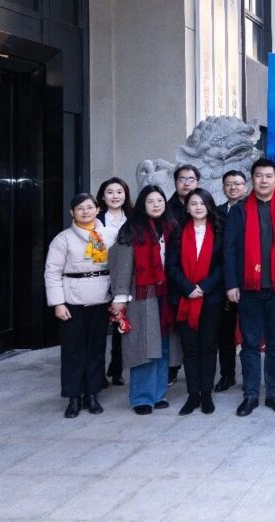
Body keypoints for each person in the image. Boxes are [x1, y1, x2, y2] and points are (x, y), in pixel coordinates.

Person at [223, 158, 275, 417]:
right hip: (248, 289)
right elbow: (229, 250)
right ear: (252, 179)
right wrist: (231, 284)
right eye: (259, 175)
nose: (263, 180)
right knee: (249, 344)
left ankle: (274, 393)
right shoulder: (239, 211)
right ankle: (250, 395)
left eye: (268, 176)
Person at [109, 185, 181, 415]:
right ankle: (141, 397)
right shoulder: (131, 230)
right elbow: (122, 267)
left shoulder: (172, 227)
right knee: (144, 347)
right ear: (142, 205)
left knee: (164, 346)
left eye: (160, 200)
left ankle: (158, 394)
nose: (156, 205)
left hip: (167, 295)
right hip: (142, 295)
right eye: (150, 201)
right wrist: (120, 297)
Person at [44, 194, 118, 418]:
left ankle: (92, 394)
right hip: (72, 301)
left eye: (89, 207)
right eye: (80, 208)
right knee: (73, 350)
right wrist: (58, 303)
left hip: (101, 299)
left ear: (97, 210)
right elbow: (52, 272)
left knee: (96, 348)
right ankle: (73, 397)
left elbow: (119, 266)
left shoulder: (109, 235)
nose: (85, 212)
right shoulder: (62, 239)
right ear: (72, 212)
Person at [165, 188, 224, 416]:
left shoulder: (219, 231)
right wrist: (188, 288)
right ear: (187, 208)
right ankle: (193, 395)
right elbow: (171, 266)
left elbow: (222, 265)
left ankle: (206, 394)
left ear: (209, 206)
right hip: (185, 298)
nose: (198, 207)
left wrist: (204, 287)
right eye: (193, 203)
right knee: (189, 349)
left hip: (211, 298)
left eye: (202, 203)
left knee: (208, 347)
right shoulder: (177, 233)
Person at [95, 177, 133, 387]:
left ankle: (117, 369)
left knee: (121, 327)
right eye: (110, 192)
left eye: (119, 192)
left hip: (125, 280)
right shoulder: (96, 220)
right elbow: (94, 254)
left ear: (125, 195)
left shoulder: (133, 218)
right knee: (100, 329)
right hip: (102, 278)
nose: (115, 196)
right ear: (103, 196)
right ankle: (98, 373)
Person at [165, 164, 200, 386]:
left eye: (191, 179)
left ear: (198, 182)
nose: (186, 183)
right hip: (172, 276)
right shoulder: (165, 208)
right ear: (175, 182)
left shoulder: (204, 207)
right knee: (172, 327)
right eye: (182, 179)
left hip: (200, 279)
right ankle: (171, 369)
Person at [214, 170, 248, 392]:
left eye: (237, 183)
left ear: (245, 186)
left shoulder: (252, 210)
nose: (233, 187)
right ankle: (227, 374)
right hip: (222, 281)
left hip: (248, 279)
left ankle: (250, 377)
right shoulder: (215, 213)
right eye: (229, 184)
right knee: (225, 331)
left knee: (249, 332)